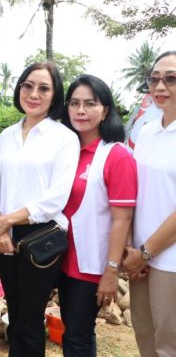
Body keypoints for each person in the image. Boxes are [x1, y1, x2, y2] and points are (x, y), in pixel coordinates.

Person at [0, 62, 79, 357]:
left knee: (29, 319)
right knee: (14, 315)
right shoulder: (6, 137)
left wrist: (7, 221)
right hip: (5, 233)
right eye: (28, 85)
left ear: (55, 96)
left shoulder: (64, 138)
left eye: (44, 88)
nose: (34, 94)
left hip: (41, 235)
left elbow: (56, 198)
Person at [57, 74, 136, 357]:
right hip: (59, 259)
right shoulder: (65, 151)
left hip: (90, 264)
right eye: (74, 103)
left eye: (90, 104)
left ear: (105, 110)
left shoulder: (116, 156)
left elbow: (122, 219)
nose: (81, 111)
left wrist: (111, 271)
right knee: (70, 331)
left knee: (78, 335)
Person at [123, 51, 176, 357]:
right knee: (144, 335)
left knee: (168, 344)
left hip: (169, 261)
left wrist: (145, 252)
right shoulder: (147, 131)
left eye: (171, 78)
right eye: (155, 78)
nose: (160, 86)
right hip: (140, 258)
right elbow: (136, 192)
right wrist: (132, 249)